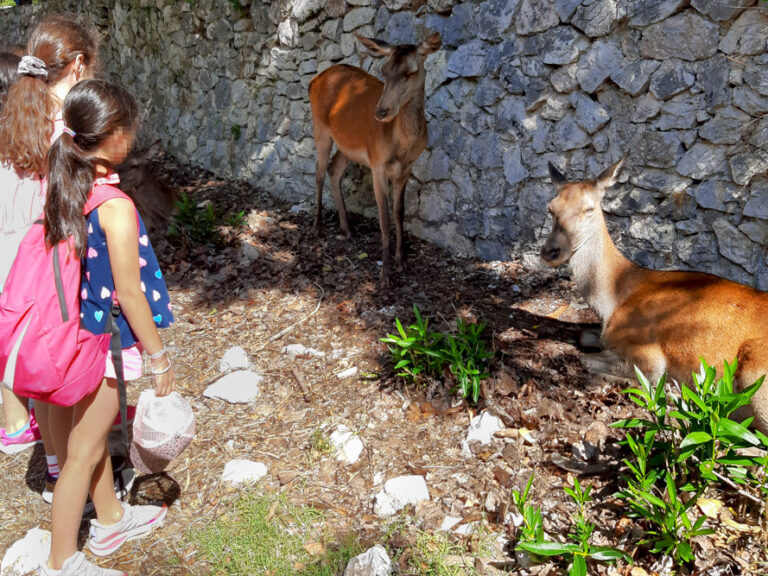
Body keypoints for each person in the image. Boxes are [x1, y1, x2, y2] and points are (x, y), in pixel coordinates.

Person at [40, 78, 174, 576]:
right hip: (107, 343)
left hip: (75, 332)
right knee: (83, 451)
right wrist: (158, 356)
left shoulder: (68, 186)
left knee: (89, 438)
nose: (135, 136)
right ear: (114, 135)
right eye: (131, 128)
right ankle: (62, 560)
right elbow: (131, 292)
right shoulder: (115, 208)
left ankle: (111, 519)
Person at [0, 15, 110, 505]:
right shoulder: (68, 126)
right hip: (52, 267)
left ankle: (51, 461)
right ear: (80, 64)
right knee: (67, 374)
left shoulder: (19, 112)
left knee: (40, 370)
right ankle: (74, 478)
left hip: (15, 265)